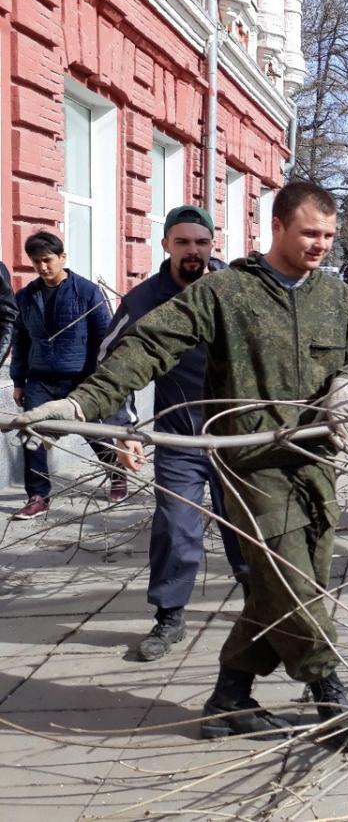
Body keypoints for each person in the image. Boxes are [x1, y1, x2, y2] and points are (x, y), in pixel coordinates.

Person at [14, 182, 348, 752]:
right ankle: (328, 690)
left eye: (328, 236)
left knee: (286, 586)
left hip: (314, 463)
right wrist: (85, 402)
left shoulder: (335, 298)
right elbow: (148, 345)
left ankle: (229, 698)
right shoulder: (225, 293)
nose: (320, 246)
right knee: (291, 581)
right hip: (247, 464)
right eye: (310, 233)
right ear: (276, 227)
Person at [101, 205, 250, 662]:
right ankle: (169, 618)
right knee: (175, 529)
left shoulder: (237, 290)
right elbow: (113, 365)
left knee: (249, 529)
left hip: (237, 439)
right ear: (165, 245)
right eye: (182, 242)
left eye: (201, 242)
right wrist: (121, 430)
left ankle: (265, 611)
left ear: (213, 245)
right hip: (179, 440)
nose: (193, 252)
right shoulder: (144, 301)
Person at [10, 231, 123, 520]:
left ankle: (117, 473)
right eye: (36, 262)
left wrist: (104, 380)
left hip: (80, 378)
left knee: (94, 433)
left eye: (47, 260)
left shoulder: (86, 292)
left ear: (62, 257)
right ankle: (37, 496)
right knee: (31, 433)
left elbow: (105, 336)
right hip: (40, 379)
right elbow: (20, 340)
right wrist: (18, 381)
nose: (42, 267)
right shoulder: (25, 297)